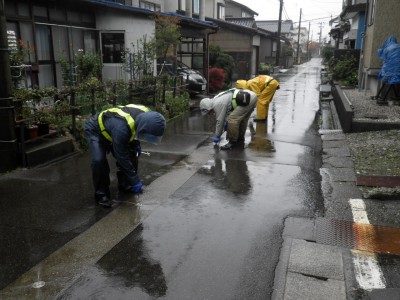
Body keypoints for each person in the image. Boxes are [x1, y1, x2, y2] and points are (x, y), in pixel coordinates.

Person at [84, 104, 166, 208]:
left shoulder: (148, 116)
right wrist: (135, 180)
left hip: (115, 129)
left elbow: (136, 130)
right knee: (99, 160)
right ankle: (102, 195)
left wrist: (136, 144)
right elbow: (121, 156)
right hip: (96, 130)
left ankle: (126, 184)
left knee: (133, 152)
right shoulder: (121, 129)